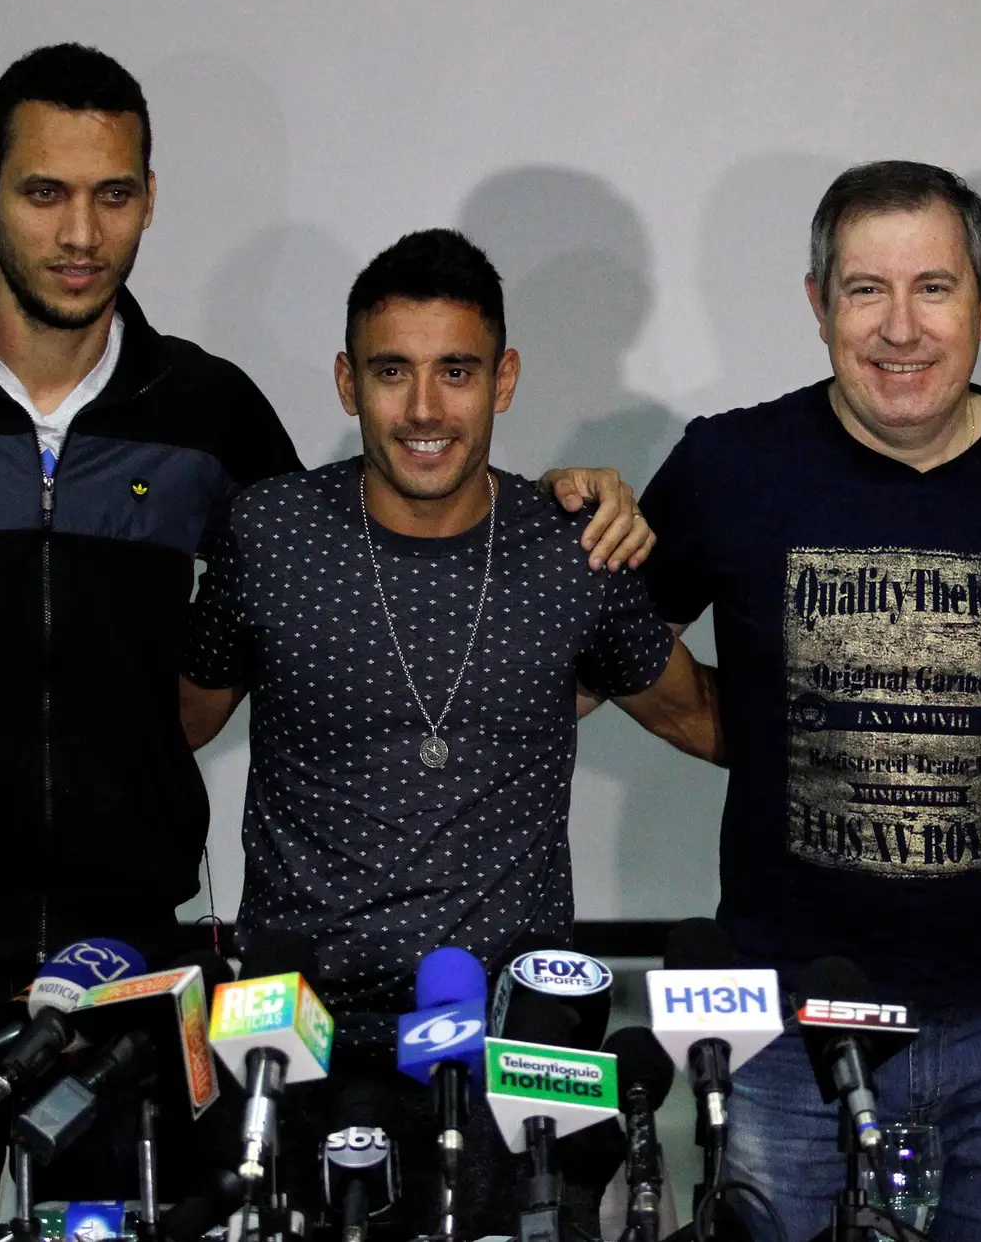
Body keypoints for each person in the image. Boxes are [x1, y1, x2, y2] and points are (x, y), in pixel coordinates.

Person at [0, 43, 648, 1217]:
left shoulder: (204, 412)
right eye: (44, 192)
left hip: (128, 967)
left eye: (113, 195)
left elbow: (380, 536)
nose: (80, 233)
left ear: (149, 201)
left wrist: (557, 510)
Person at [634, 160, 981, 1241]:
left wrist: (939, 708)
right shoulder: (727, 466)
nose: (899, 328)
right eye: (866, 289)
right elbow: (627, 654)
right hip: (785, 1022)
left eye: (935, 288)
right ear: (819, 303)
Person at [179, 227, 720, 1234]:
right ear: (348, 382)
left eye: (456, 372)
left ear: (503, 379)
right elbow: (173, 722)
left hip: (511, 1060)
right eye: (393, 372)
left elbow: (701, 718)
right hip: (299, 1049)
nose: (425, 409)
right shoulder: (270, 533)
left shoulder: (574, 548)